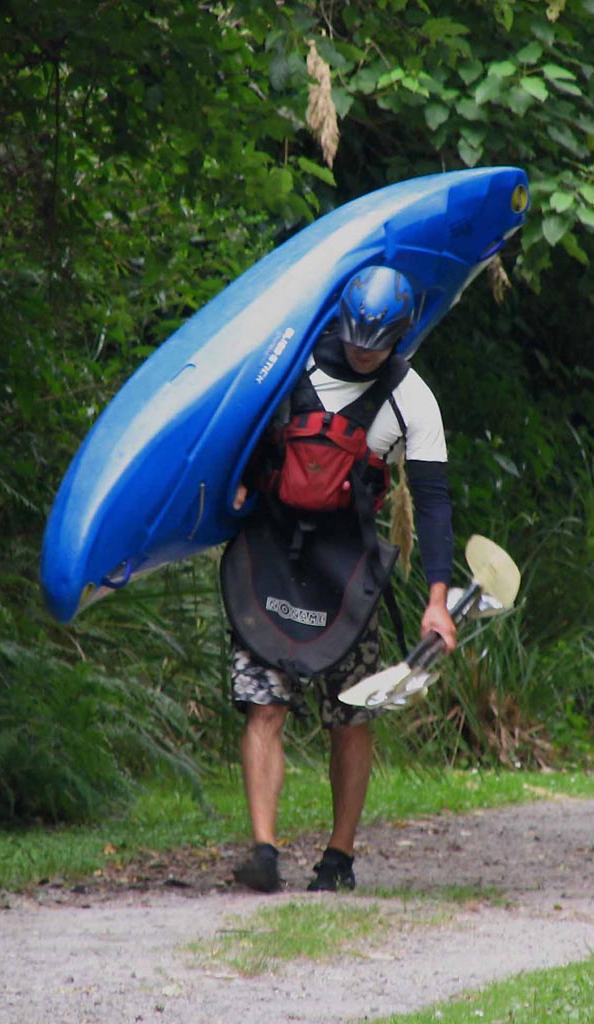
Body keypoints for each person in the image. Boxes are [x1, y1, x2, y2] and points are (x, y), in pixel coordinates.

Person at [227, 265, 458, 894]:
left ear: (400, 337)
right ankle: (264, 850)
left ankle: (338, 857)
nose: (360, 351)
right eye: (354, 336)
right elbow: (229, 434)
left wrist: (438, 601)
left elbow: (433, 503)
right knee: (263, 702)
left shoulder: (412, 399)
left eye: (374, 343)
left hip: (347, 564)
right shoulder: (288, 359)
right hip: (270, 548)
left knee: (351, 714)